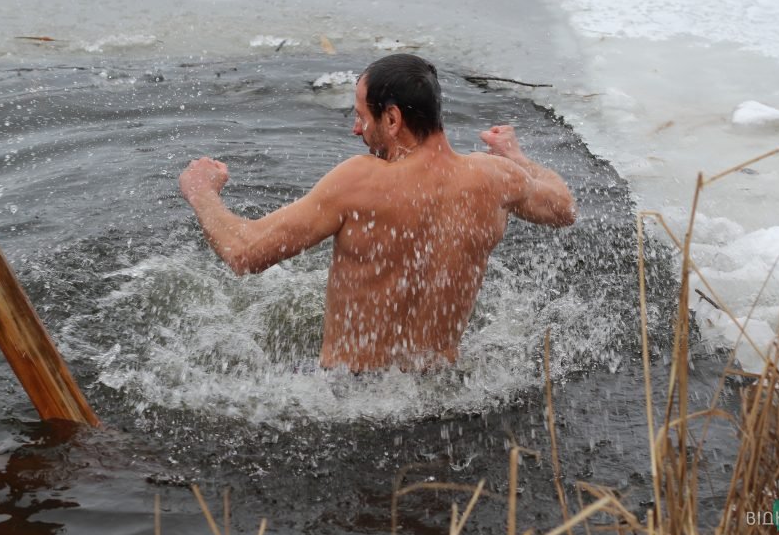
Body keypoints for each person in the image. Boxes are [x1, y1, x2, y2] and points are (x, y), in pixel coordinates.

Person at [179, 54, 576, 371]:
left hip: (350, 394)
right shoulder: (496, 178)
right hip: (442, 390)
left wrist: (202, 193)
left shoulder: (361, 181)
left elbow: (244, 252)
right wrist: (517, 156)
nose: (356, 130)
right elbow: (563, 209)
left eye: (361, 116)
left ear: (392, 118)